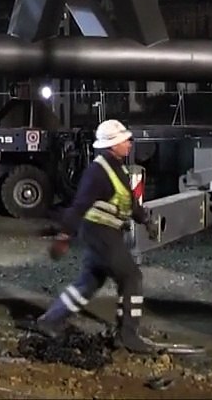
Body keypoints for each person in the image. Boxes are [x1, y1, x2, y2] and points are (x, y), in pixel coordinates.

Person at [34, 119, 158, 354]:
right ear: (113, 145)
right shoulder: (98, 171)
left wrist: (146, 221)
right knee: (131, 277)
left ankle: (50, 320)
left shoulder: (115, 168)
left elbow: (129, 202)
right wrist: (64, 236)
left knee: (90, 281)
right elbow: (79, 206)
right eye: (125, 140)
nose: (130, 143)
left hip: (104, 233)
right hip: (100, 233)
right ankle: (127, 335)